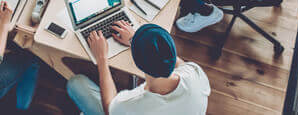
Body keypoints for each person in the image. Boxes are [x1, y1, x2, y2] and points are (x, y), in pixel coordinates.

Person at [66, 22, 210, 114]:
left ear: (138, 63)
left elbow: (110, 108)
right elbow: (173, 60)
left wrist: (102, 58)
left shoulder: (132, 105)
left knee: (76, 83)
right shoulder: (195, 73)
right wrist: (136, 40)